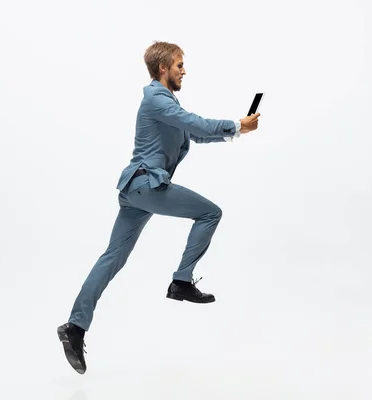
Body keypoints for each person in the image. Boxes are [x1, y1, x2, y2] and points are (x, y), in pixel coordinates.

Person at [57, 41, 261, 374]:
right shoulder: (156, 98)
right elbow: (193, 122)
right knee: (210, 213)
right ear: (163, 68)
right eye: (179, 64)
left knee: (112, 259)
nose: (184, 70)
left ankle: (74, 328)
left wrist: (238, 132)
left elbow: (193, 134)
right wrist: (235, 124)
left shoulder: (165, 102)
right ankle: (181, 281)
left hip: (137, 190)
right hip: (146, 184)